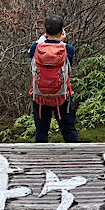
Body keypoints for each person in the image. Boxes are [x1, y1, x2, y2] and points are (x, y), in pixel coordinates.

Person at [29, 15, 79, 143]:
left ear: (45, 31)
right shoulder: (67, 49)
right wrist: (61, 41)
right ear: (62, 31)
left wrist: (42, 38)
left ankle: (40, 161)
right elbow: (69, 65)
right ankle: (75, 160)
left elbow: (30, 52)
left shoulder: (36, 48)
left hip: (40, 96)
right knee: (69, 130)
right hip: (62, 95)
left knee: (41, 131)